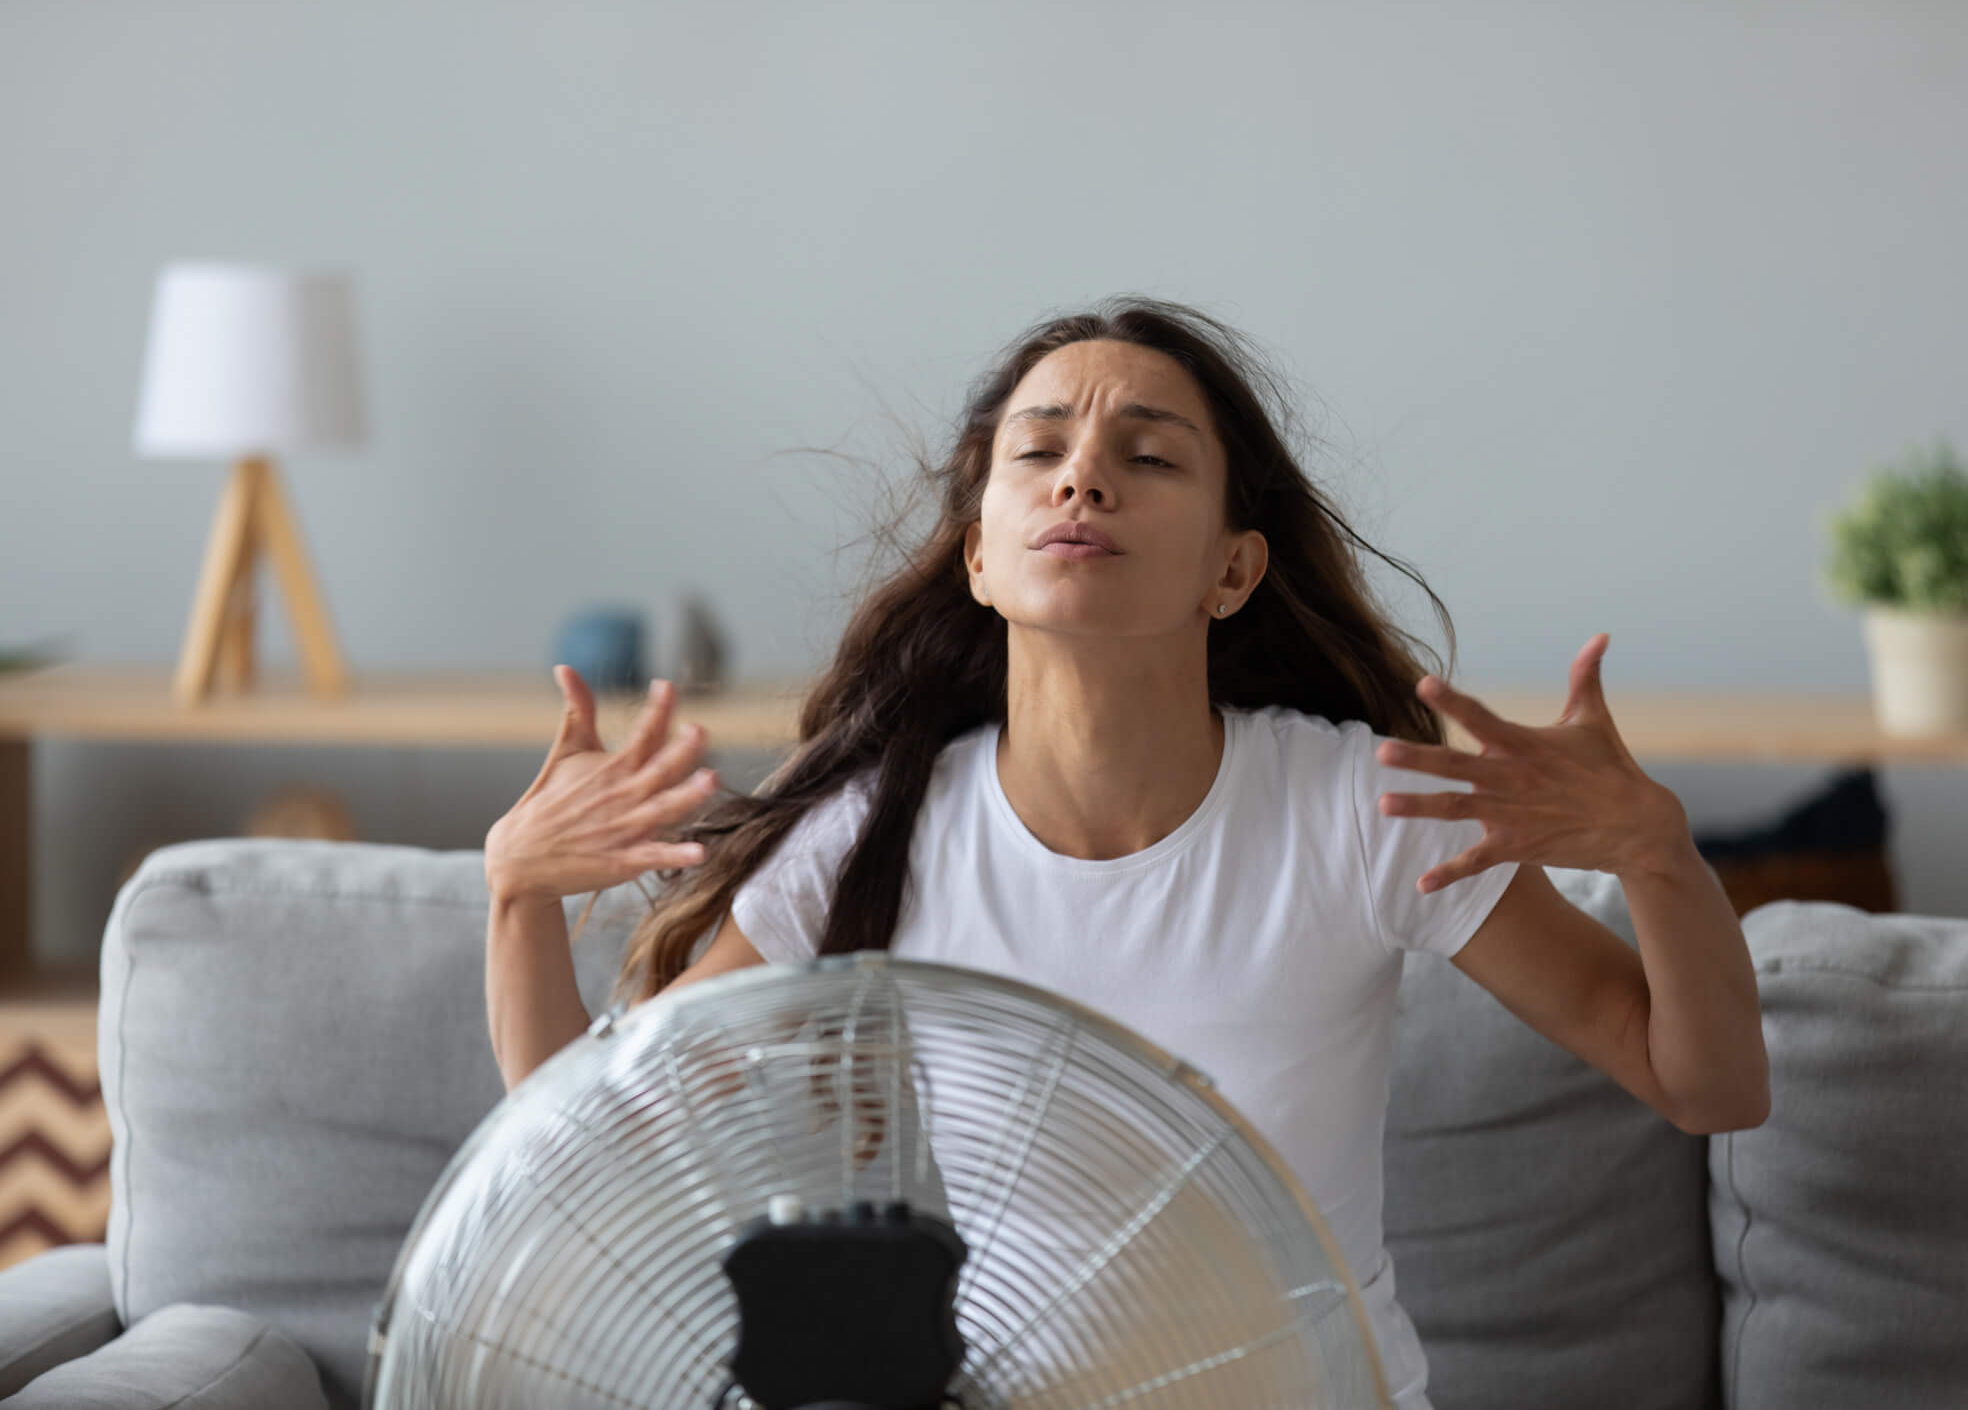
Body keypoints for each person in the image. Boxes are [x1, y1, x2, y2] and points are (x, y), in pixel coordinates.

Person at [483, 294, 1770, 1409]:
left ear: (1232, 568)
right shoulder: (874, 831)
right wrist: (517, 894)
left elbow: (1706, 1086)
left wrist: (1660, 857)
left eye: (1146, 456)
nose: (1082, 477)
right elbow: (586, 1141)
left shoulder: (1359, 810)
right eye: (1039, 450)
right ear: (982, 555)